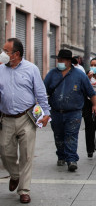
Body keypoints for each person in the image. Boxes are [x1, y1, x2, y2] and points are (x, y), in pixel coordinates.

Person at [0, 38, 50, 203]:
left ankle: (24, 190)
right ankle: (15, 175)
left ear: (16, 54)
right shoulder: (0, 69)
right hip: (6, 118)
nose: (3, 54)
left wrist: (46, 113)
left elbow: (40, 92)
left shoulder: (31, 69)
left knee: (27, 155)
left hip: (26, 117)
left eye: (6, 51)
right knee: (5, 152)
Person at [44, 49, 96, 172]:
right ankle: (61, 155)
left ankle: (71, 159)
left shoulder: (79, 75)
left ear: (69, 61)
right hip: (56, 112)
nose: (59, 62)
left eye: (62, 60)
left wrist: (95, 105)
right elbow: (43, 90)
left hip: (74, 112)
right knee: (58, 136)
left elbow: (90, 92)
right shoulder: (52, 74)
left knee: (71, 135)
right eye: (58, 60)